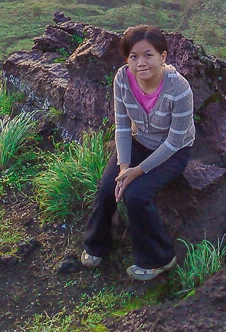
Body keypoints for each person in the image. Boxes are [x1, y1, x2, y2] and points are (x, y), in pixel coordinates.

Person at [81, 25, 195, 281]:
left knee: (136, 195)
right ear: (126, 60)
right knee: (107, 187)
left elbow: (175, 141)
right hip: (137, 141)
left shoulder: (179, 89)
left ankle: (160, 258)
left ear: (163, 57)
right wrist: (124, 168)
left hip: (172, 150)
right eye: (133, 56)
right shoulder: (122, 79)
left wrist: (138, 171)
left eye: (148, 55)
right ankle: (96, 244)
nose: (140, 62)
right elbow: (122, 126)